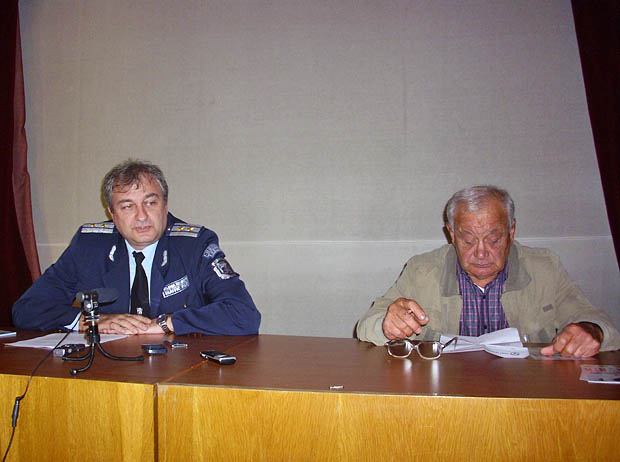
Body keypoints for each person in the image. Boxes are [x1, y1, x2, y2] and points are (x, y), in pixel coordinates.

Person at [356, 185, 620, 357]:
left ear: (511, 231)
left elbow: (597, 322)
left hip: (525, 395)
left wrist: (591, 330)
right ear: (451, 234)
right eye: (468, 240)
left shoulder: (544, 268)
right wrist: (387, 324)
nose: (481, 253)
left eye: (493, 239)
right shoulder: (422, 270)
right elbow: (366, 326)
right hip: (446, 395)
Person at [12, 159, 261, 336]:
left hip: (178, 372)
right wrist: (90, 321)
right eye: (127, 206)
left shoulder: (194, 245)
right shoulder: (89, 246)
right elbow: (26, 309)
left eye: (150, 203)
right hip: (109, 371)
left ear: (165, 205)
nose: (141, 216)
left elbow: (244, 314)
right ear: (112, 214)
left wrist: (165, 323)